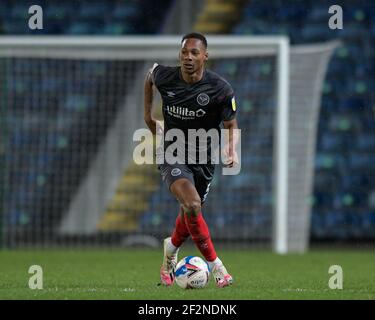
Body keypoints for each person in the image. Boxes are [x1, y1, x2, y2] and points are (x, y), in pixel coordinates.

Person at [144, 32, 239, 288]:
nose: (188, 57)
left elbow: (231, 124)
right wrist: (148, 118)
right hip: (172, 150)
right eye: (184, 52)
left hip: (205, 157)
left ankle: (171, 249)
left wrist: (231, 149)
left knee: (190, 210)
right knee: (193, 204)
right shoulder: (165, 76)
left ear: (205, 56)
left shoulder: (220, 89)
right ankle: (217, 267)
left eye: (194, 53)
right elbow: (150, 77)